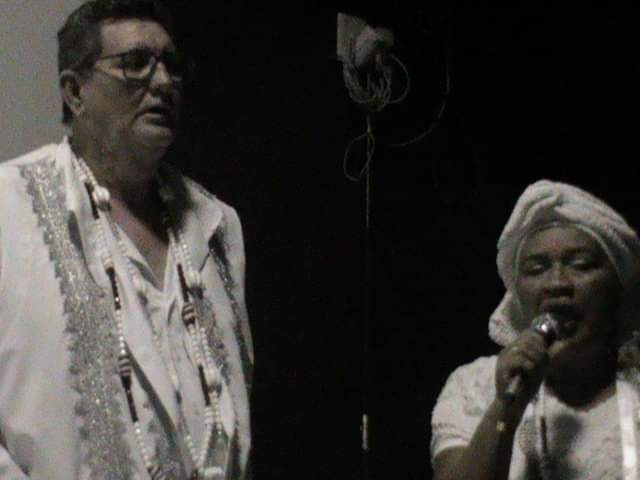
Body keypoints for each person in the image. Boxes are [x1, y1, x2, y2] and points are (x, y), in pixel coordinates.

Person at [0, 0, 252, 478]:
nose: (163, 82)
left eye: (172, 65)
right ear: (75, 91)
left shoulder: (217, 225)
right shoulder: (9, 209)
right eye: (135, 63)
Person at [430, 180, 640, 480]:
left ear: (617, 288)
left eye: (580, 264)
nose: (557, 283)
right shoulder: (475, 386)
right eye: (536, 269)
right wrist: (506, 409)